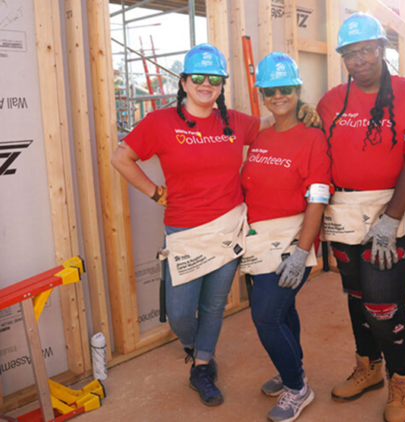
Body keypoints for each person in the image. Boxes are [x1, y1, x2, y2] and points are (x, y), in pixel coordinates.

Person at [111, 43, 319, 407]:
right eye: (199, 78)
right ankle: (195, 346)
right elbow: (121, 156)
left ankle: (203, 365)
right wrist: (155, 192)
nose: (206, 84)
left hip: (228, 228)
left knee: (212, 306)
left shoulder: (235, 122)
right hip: (184, 230)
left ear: (222, 84)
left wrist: (306, 110)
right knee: (179, 312)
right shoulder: (161, 122)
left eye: (215, 79)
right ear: (185, 81)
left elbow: (276, 121)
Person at [317, 13, 405, 422]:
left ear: (382, 49)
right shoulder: (331, 101)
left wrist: (390, 219)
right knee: (355, 296)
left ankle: (400, 376)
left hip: (392, 213)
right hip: (344, 213)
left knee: (382, 303)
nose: (359, 60)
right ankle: (368, 366)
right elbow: (315, 154)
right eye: (351, 54)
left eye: (367, 50)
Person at [239, 52, 331, 422]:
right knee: (283, 310)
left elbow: (318, 197)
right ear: (262, 93)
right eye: (270, 90)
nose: (278, 96)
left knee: (266, 316)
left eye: (286, 89)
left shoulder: (313, 138)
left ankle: (298, 388)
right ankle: (292, 366)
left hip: (292, 240)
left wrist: (301, 251)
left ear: (297, 90)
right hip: (256, 240)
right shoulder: (259, 135)